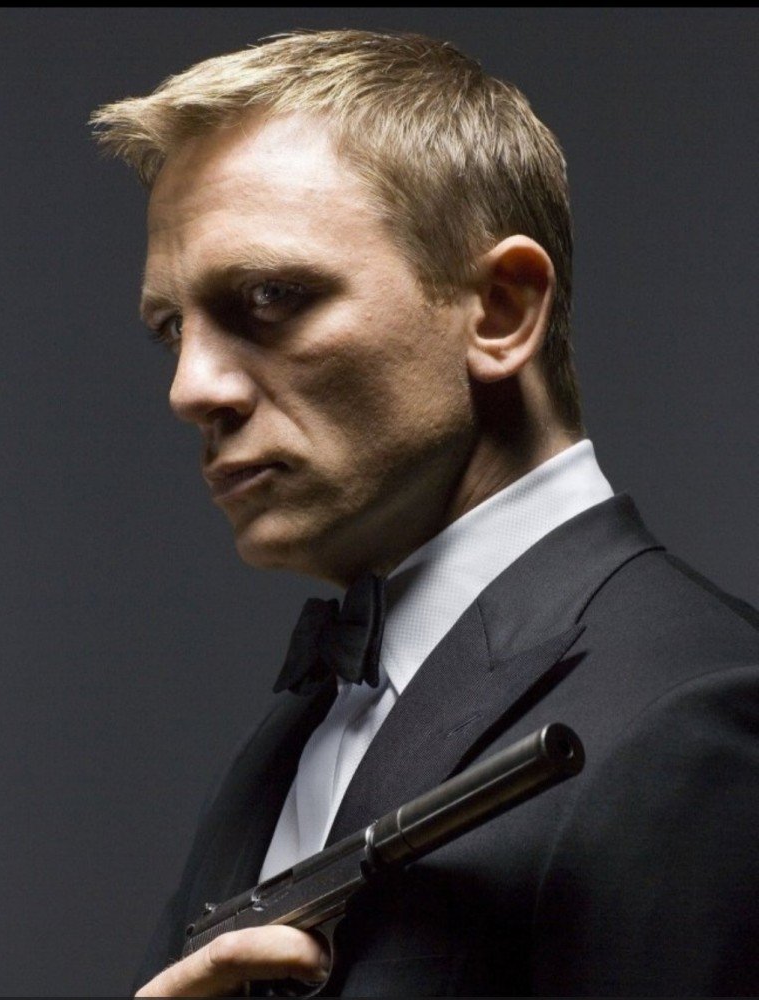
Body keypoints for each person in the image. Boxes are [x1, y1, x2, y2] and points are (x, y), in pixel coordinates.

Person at [92, 30, 759, 997]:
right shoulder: (289, 743)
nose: (191, 389)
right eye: (171, 329)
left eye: (270, 296)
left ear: (500, 309)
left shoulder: (698, 722)